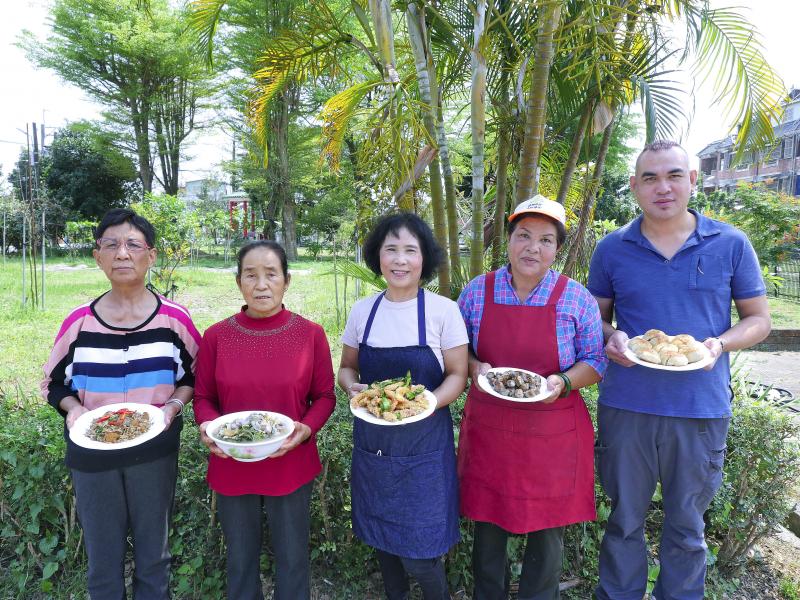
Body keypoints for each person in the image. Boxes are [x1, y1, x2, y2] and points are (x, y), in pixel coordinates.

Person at [588, 140, 772, 600]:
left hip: (700, 409)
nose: (662, 187)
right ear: (634, 186)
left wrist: (718, 344)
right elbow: (594, 316)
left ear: (693, 180)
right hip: (627, 406)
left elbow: (759, 320)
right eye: (649, 178)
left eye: (673, 175)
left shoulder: (730, 243)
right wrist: (609, 336)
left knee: (688, 528)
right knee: (624, 521)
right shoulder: (612, 249)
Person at [41, 208, 201, 599]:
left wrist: (173, 408)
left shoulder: (174, 321)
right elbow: (52, 383)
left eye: (133, 244)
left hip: (154, 451)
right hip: (92, 455)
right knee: (103, 558)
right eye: (110, 245)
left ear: (152, 255)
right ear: (97, 256)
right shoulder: (79, 323)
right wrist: (74, 410)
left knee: (154, 555)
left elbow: (194, 377)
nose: (122, 254)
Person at [457, 195, 607, 600]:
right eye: (523, 236)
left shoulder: (576, 298)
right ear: (508, 240)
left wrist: (562, 381)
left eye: (545, 240)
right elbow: (455, 351)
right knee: (487, 527)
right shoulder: (476, 293)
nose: (532, 248)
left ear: (557, 249)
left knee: (547, 531)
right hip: (491, 430)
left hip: (552, 432)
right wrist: (473, 367)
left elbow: (595, 360)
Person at [193, 240, 335, 600]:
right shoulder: (216, 337)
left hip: (290, 458)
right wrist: (208, 426)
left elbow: (324, 397)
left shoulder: (310, 334)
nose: (261, 285)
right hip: (232, 460)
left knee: (292, 559)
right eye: (250, 275)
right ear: (238, 282)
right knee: (239, 562)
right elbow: (204, 398)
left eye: (271, 274)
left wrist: (306, 429)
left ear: (286, 280)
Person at [337, 213, 468, 600]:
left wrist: (427, 402)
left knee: (422, 557)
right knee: (385, 549)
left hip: (425, 449)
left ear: (424, 259)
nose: (399, 259)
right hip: (374, 443)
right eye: (390, 249)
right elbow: (346, 367)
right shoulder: (364, 311)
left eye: (410, 250)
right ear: (377, 257)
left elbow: (458, 375)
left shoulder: (444, 311)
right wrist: (353, 389)